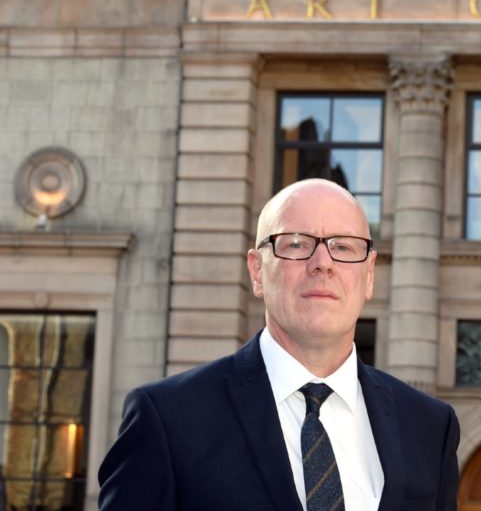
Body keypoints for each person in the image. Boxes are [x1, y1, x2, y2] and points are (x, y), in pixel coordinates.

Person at [98, 178, 460, 511]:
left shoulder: (430, 427)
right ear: (257, 271)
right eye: (297, 244)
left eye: (344, 247)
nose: (323, 263)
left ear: (369, 275)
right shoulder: (168, 418)